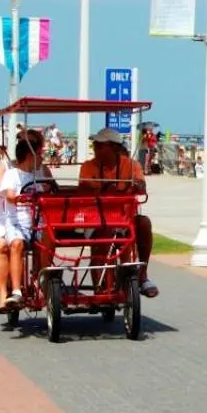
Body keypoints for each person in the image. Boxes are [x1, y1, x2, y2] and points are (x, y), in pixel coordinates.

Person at [77, 126, 159, 297]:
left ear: (113, 148)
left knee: (144, 223)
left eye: (100, 145)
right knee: (103, 233)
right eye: (95, 145)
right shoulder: (88, 167)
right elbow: (83, 191)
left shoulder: (131, 166)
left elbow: (141, 186)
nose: (96, 148)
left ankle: (142, 274)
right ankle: (101, 290)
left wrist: (135, 185)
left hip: (124, 218)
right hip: (95, 219)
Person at [0, 138, 39, 310]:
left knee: (45, 240)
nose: (41, 156)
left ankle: (43, 282)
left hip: (33, 220)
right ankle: (7, 293)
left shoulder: (39, 172)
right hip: (10, 218)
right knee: (3, 246)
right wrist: (20, 197)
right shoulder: (9, 169)